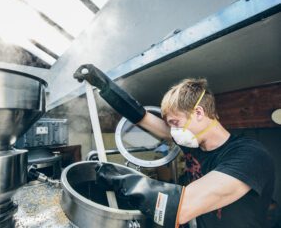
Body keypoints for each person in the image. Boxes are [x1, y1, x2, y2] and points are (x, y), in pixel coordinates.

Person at [74, 64, 275, 228]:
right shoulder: (193, 143)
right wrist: (105, 86)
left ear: (198, 113)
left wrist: (119, 179)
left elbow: (182, 207)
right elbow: (141, 117)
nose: (173, 132)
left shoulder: (250, 156)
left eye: (175, 123)